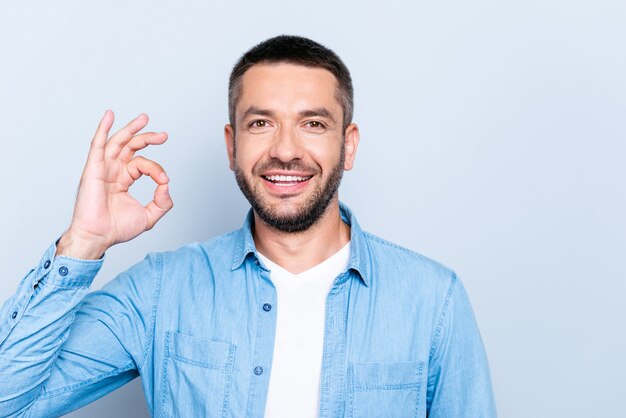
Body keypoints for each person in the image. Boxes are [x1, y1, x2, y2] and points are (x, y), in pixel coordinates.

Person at [0, 35, 497, 417]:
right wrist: (83, 241)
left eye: (313, 123)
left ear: (348, 145)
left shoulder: (433, 300)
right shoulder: (161, 290)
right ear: (231, 144)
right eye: (261, 123)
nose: (284, 149)